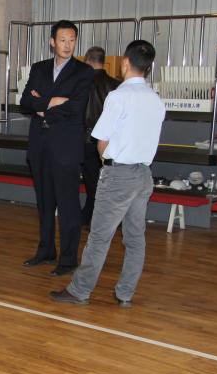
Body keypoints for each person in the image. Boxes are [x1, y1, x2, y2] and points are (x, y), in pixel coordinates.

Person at [50, 40, 165, 308]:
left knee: (99, 237)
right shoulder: (156, 100)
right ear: (148, 68)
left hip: (119, 174)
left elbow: (101, 139)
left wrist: (106, 160)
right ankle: (125, 293)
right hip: (143, 175)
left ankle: (80, 290)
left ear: (125, 63)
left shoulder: (119, 96)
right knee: (135, 239)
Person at [19, 20, 94, 276]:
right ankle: (46, 250)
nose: (67, 45)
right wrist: (53, 102)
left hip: (65, 147)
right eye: (62, 40)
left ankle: (69, 258)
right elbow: (25, 101)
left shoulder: (84, 72)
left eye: (72, 40)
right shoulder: (39, 68)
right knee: (44, 202)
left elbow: (76, 108)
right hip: (40, 145)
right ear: (52, 42)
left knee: (68, 203)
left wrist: (43, 105)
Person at [81, 46, 121, 228]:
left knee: (91, 182)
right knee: (106, 182)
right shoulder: (116, 85)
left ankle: (92, 218)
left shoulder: (80, 84)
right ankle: (93, 217)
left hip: (86, 139)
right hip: (110, 140)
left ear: (87, 60)